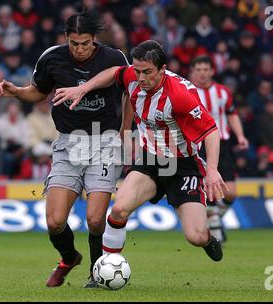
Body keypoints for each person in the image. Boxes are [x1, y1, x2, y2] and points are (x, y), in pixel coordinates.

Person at [52, 40, 228, 263]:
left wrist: (212, 169)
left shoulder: (180, 95)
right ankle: (106, 267)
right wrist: (84, 88)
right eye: (137, 71)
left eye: (147, 72)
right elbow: (115, 72)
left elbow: (211, 130)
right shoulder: (133, 77)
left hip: (184, 165)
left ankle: (208, 239)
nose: (141, 78)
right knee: (118, 211)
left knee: (196, 236)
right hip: (151, 159)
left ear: (162, 70)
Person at [0, 11, 129, 288]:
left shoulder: (114, 58)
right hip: (68, 143)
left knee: (94, 219)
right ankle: (69, 258)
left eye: (85, 43)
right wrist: (17, 92)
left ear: (95, 39)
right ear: (66, 38)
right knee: (55, 222)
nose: (79, 49)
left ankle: (97, 273)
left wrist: (125, 131)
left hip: (104, 142)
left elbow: (131, 92)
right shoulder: (52, 57)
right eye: (73, 43)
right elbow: (38, 91)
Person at [190, 55, 249, 243]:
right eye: (198, 69)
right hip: (198, 146)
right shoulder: (187, 91)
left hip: (222, 145)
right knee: (208, 190)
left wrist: (240, 136)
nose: (202, 73)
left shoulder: (224, 92)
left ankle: (213, 219)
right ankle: (213, 228)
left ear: (212, 71)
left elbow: (232, 115)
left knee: (231, 192)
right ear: (193, 71)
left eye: (205, 69)